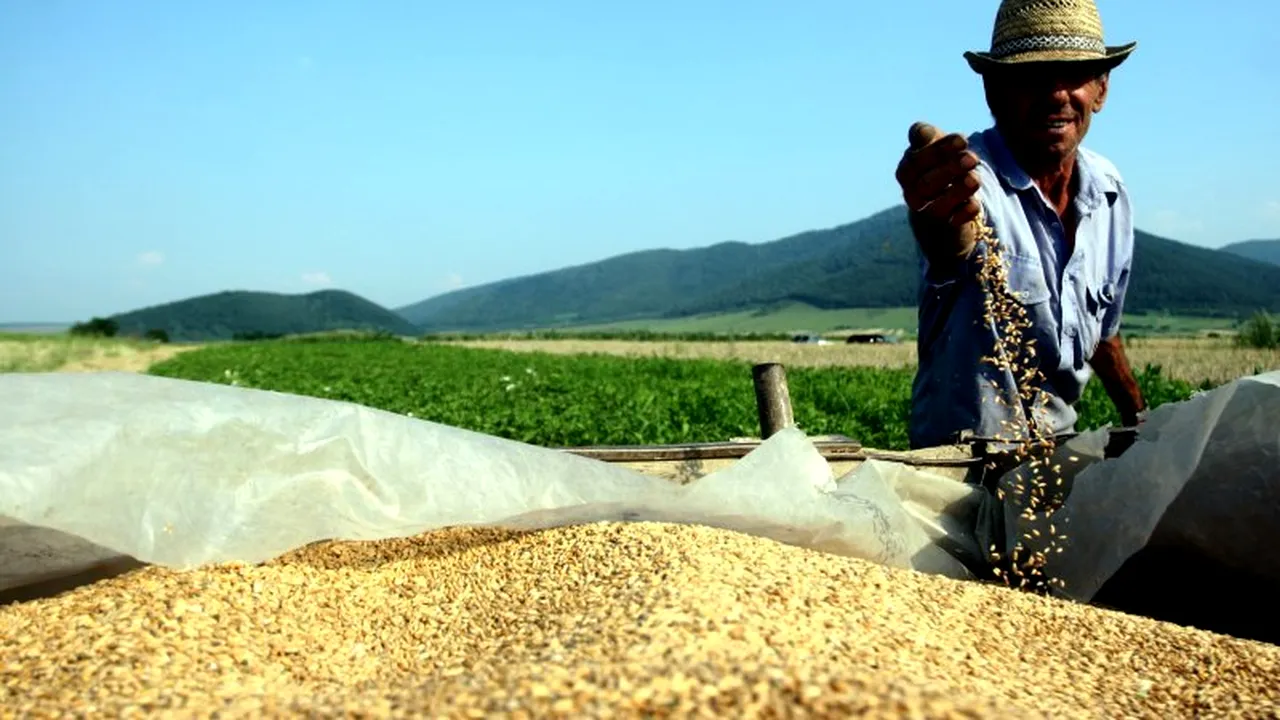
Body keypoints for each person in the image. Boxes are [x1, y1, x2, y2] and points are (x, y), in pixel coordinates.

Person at [894, 0, 1146, 451]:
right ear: (994, 91)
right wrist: (935, 212)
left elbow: (1102, 331)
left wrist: (1140, 416)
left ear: (1102, 89)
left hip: (1057, 449)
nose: (1056, 94)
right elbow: (951, 241)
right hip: (963, 457)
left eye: (1075, 76)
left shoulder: (1109, 193)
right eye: (1032, 78)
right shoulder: (971, 181)